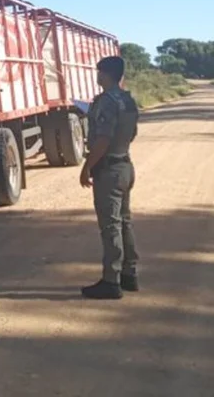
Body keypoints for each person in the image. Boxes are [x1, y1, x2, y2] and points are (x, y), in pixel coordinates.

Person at [79, 55, 140, 300]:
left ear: (105, 74)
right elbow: (132, 131)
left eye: (98, 71)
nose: (97, 75)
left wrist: (87, 166)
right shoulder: (127, 100)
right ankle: (129, 274)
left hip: (110, 169)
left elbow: (102, 139)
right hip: (125, 163)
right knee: (124, 222)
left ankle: (111, 281)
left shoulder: (106, 101)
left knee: (111, 225)